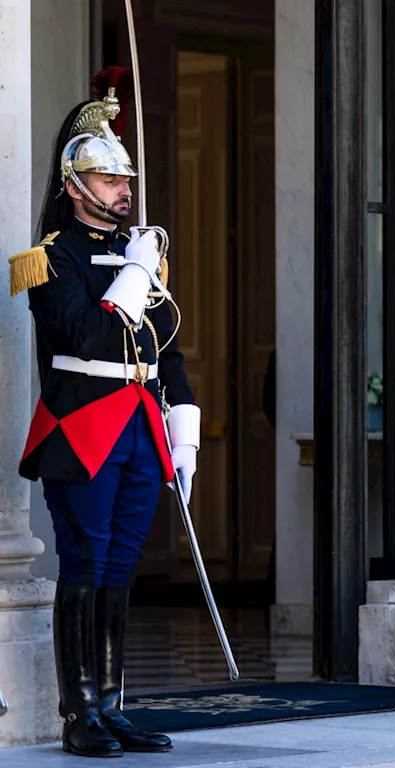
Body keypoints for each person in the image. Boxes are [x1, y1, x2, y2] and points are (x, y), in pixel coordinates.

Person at [10, 70, 198, 756]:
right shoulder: (45, 261)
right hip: (81, 427)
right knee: (84, 559)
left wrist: (186, 430)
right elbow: (82, 337)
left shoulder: (139, 257)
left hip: (139, 425)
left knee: (122, 563)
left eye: (126, 181)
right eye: (112, 180)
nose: (126, 191)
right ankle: (78, 711)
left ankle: (114, 703)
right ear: (76, 186)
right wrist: (134, 272)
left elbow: (163, 347)